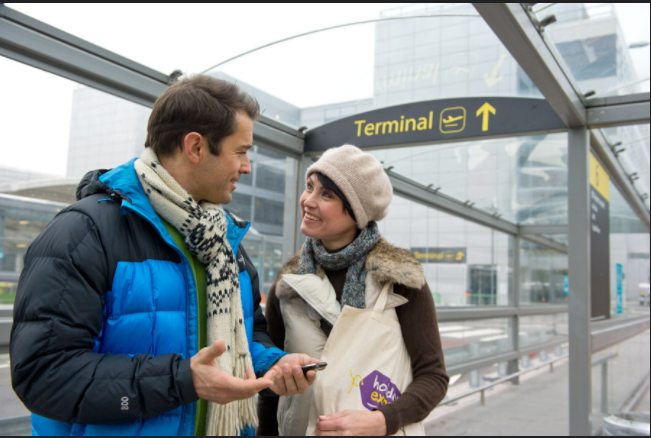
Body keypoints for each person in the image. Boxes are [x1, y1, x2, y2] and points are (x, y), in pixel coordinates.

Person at [10, 75, 320, 436]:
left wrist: (274, 364)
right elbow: (43, 376)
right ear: (195, 147)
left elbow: (248, 335)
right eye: (240, 151)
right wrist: (181, 381)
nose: (246, 166)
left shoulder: (226, 240)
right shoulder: (83, 233)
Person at [257, 145, 449, 436]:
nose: (308, 200)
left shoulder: (400, 279)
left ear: (358, 212)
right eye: (309, 187)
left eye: (327, 194)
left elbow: (433, 377)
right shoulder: (288, 284)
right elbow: (273, 386)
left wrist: (384, 420)